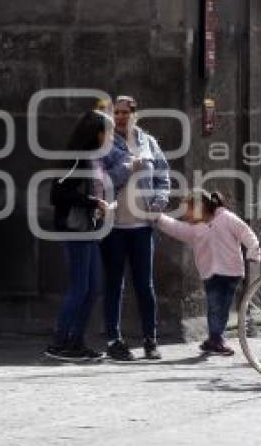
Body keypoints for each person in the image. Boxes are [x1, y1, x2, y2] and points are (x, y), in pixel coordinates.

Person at [101, 95, 170, 361]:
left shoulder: (148, 142)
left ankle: (150, 341)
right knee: (114, 285)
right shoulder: (105, 144)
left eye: (124, 113)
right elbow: (102, 181)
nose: (120, 117)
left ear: (134, 114)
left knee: (145, 285)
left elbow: (163, 175)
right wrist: (129, 168)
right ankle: (113, 339)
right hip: (115, 226)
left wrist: (160, 200)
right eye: (116, 113)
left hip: (142, 226)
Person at [155, 189, 261, 356]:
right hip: (211, 275)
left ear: (200, 206)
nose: (185, 216)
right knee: (214, 306)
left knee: (223, 308)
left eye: (188, 210)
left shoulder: (226, 218)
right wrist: (158, 218)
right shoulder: (194, 230)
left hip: (232, 273)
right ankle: (216, 339)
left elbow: (246, 233)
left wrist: (254, 251)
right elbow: (175, 227)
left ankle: (214, 338)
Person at [45, 110, 113, 362]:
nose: (111, 136)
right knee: (79, 288)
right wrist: (93, 202)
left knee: (93, 288)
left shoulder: (95, 159)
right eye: (109, 131)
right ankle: (59, 342)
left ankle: (76, 340)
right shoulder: (77, 157)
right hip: (75, 230)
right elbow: (58, 193)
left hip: (89, 230)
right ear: (97, 133)